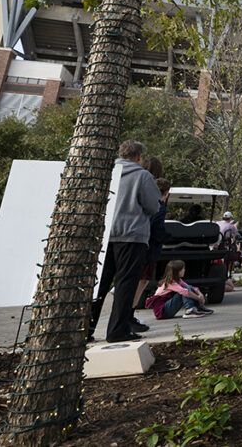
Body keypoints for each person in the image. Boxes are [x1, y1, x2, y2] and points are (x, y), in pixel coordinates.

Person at [88, 140, 162, 343]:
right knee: (125, 284)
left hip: (105, 235)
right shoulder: (142, 175)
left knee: (100, 284)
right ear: (139, 157)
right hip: (132, 236)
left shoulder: (107, 173)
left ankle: (86, 328)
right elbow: (153, 206)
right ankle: (117, 330)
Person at [130, 176, 171, 333]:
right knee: (142, 282)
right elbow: (157, 229)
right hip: (150, 249)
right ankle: (129, 314)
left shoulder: (144, 205)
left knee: (136, 281)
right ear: (166, 193)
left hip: (138, 246)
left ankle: (128, 314)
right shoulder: (159, 207)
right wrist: (168, 237)